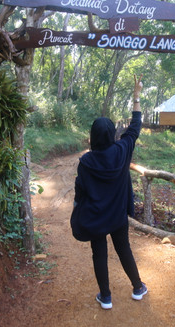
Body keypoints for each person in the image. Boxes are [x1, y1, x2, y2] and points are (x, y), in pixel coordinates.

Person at [70, 75, 147, 310]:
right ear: (113, 133)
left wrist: (76, 210)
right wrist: (136, 97)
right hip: (117, 216)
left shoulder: (86, 161)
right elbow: (135, 128)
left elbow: (80, 191)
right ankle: (137, 287)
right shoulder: (122, 150)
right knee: (123, 248)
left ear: (93, 136)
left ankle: (106, 296)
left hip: (95, 215)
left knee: (99, 253)